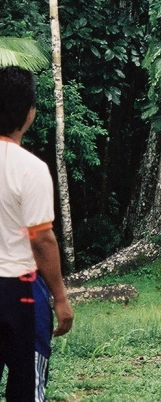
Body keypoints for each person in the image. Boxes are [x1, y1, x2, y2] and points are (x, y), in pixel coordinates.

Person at [0, 66, 73, 402]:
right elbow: (42, 240)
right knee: (26, 386)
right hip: (21, 293)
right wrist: (60, 298)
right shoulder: (30, 168)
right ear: (29, 114)